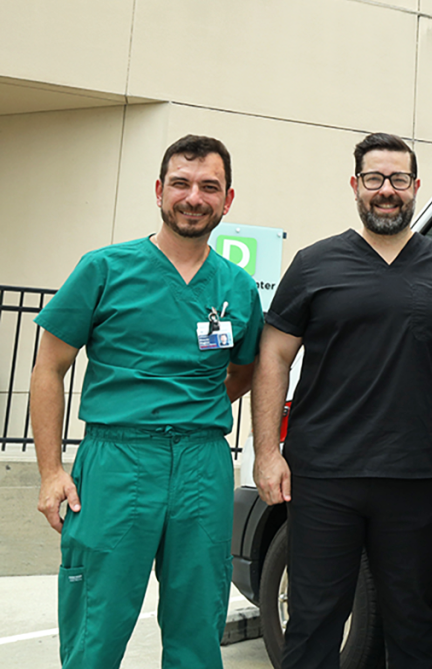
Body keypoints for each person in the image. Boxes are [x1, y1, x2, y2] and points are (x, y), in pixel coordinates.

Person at [251, 132, 432, 669]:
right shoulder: (314, 264)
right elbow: (272, 357)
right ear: (355, 185)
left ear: (415, 187)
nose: (386, 190)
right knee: (315, 618)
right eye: (374, 179)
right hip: (322, 475)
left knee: (412, 619)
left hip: (416, 479)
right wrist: (268, 451)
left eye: (398, 180)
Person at [30, 134, 264, 668]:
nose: (193, 197)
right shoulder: (105, 269)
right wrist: (50, 472)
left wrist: (196, 408)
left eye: (209, 186)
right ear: (160, 191)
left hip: (203, 464)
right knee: (97, 623)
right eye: (180, 183)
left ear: (227, 200)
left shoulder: (237, 287)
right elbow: (49, 369)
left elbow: (247, 368)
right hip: (117, 461)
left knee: (197, 627)